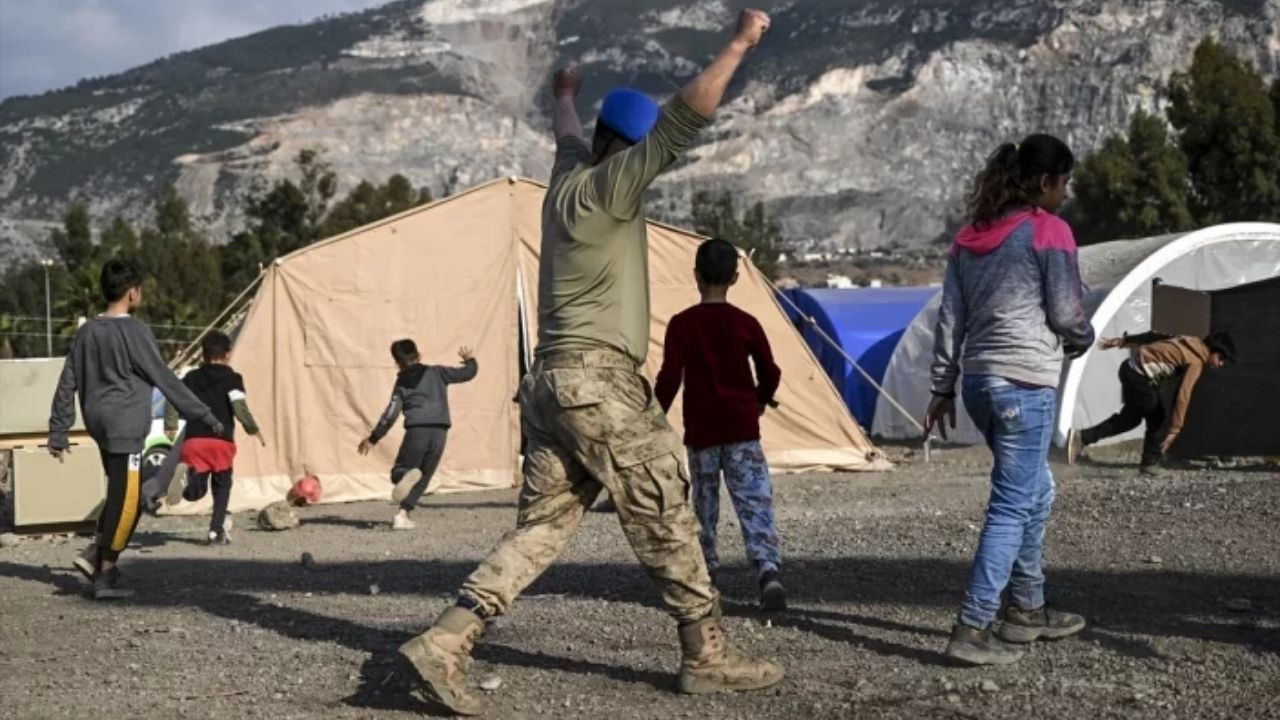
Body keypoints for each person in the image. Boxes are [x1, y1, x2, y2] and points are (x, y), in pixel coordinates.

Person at [395, 10, 782, 716]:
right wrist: (739, 43)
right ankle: (706, 652)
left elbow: (567, 134)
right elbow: (682, 120)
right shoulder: (611, 185)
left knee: (544, 526)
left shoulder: (567, 179)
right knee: (665, 503)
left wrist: (565, 91)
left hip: (546, 385)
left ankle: (447, 640)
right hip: (596, 380)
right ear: (625, 151)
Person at [924, 135, 1096, 666]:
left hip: (979, 382)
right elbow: (1067, 312)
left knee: (1033, 492)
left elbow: (950, 316)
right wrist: (1084, 339)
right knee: (1011, 504)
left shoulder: (970, 237)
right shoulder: (1050, 231)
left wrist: (942, 386)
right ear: (1044, 183)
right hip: (1024, 384)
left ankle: (1026, 609)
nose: (1066, 193)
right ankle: (973, 625)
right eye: (1063, 182)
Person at [49, 258, 223, 600]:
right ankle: (106, 571)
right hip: (125, 424)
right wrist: (204, 414)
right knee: (133, 500)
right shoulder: (135, 332)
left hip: (98, 424)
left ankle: (94, 557)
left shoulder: (86, 332)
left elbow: (67, 380)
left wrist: (59, 429)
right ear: (133, 293)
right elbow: (163, 377)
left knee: (117, 494)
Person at [654, 237, 785, 611]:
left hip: (702, 433)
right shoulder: (746, 322)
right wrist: (759, 400)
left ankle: (708, 578)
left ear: (696, 276)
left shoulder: (681, 324)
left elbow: (669, 378)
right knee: (754, 501)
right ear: (736, 277)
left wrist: (653, 417)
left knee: (705, 506)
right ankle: (767, 570)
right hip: (742, 429)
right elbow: (770, 371)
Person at [1067, 330, 1236, 473]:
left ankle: (1081, 437)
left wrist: (1123, 341)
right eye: (1221, 359)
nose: (1220, 364)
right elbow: (1183, 395)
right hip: (1139, 376)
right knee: (1158, 416)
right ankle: (1150, 462)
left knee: (1130, 419)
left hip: (1129, 369)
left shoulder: (1185, 339)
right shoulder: (1197, 361)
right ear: (1213, 350)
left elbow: (1153, 335)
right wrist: (1175, 429)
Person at [357, 339, 477, 530]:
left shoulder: (402, 383)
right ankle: (403, 514)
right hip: (439, 432)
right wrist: (470, 360)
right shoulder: (437, 372)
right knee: (424, 477)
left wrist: (373, 438)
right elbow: (467, 374)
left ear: (397, 362)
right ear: (418, 355)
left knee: (400, 472)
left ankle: (405, 476)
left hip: (417, 431)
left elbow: (391, 413)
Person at [162, 330, 265, 544]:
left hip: (194, 441)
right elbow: (239, 407)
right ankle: (215, 530)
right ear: (227, 354)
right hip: (221, 442)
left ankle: (187, 478)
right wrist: (253, 429)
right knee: (222, 485)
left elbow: (173, 397)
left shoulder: (191, 378)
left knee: (194, 493)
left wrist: (170, 423)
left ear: (203, 354)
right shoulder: (232, 378)